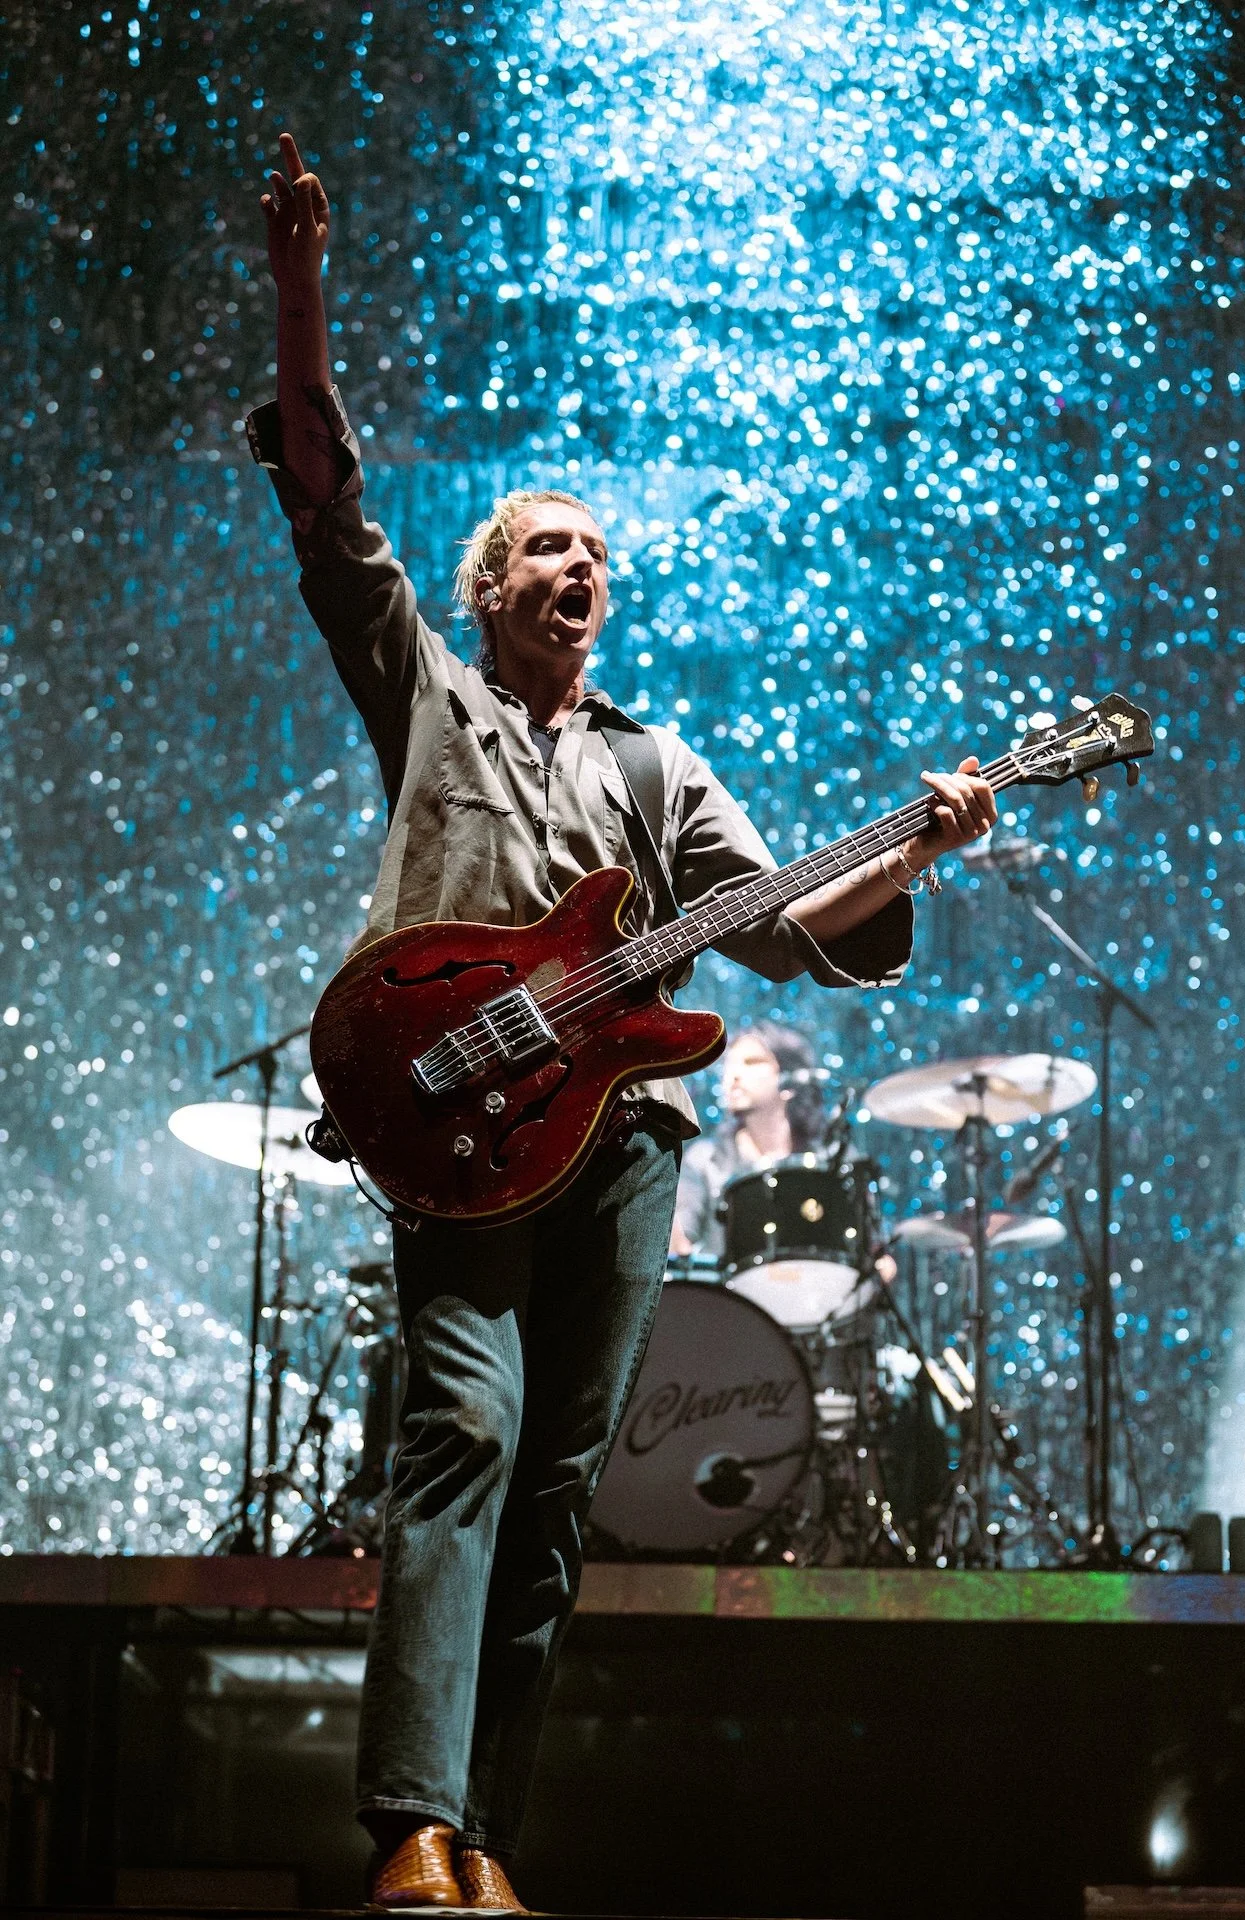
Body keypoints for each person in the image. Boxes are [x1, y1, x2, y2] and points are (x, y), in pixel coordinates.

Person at [247, 131, 998, 1912]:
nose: (580, 567)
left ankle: (485, 1841)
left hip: (626, 1139)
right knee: (466, 1431)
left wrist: (919, 849)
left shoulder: (661, 768)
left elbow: (790, 927)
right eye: (547, 549)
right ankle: (408, 1827)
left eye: (596, 554)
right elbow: (328, 511)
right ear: (490, 589)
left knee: (561, 1485)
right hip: (459, 1119)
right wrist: (299, 290)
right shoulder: (429, 694)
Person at [670, 1021, 826, 1263]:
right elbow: (678, 1246)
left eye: (752, 1062)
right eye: (728, 1065)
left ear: (791, 1081)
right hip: (729, 1287)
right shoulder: (705, 1160)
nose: (733, 1075)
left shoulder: (827, 1159)